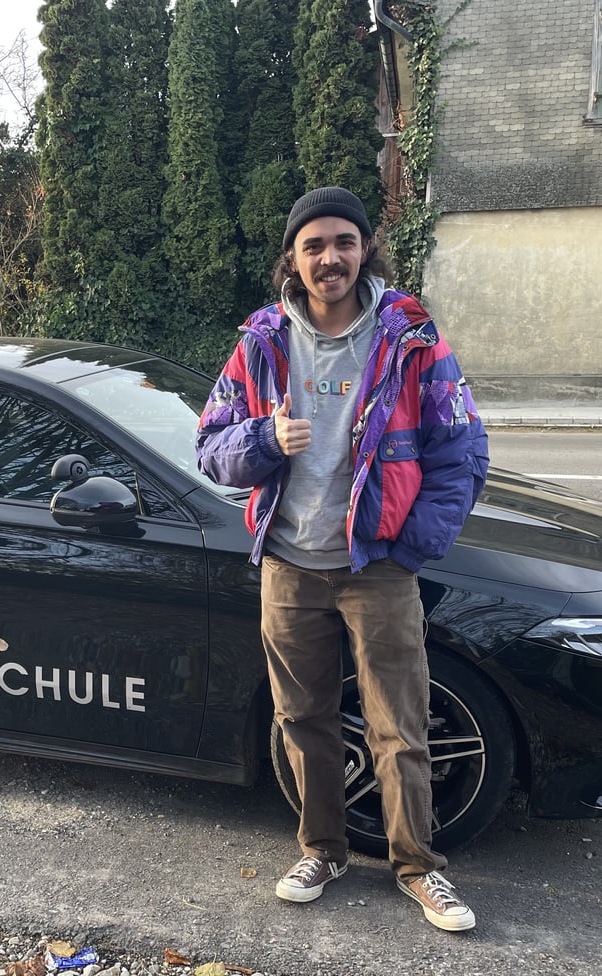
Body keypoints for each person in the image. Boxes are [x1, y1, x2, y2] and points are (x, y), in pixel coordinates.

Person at [195, 186, 489, 931]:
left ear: (365, 250)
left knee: (400, 724)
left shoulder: (410, 337)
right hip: (289, 565)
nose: (330, 258)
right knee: (302, 718)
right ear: (293, 260)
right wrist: (265, 439)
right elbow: (210, 449)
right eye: (314, 245)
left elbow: (461, 450)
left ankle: (417, 866)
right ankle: (322, 850)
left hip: (376, 568)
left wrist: (410, 548)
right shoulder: (261, 342)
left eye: (344, 242)